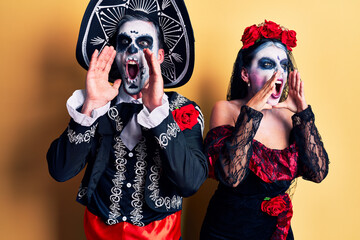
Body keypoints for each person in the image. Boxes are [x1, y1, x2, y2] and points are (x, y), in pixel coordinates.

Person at [47, 0, 207, 239]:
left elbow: (190, 182)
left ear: (161, 55)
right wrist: (91, 106)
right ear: (117, 54)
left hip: (160, 234)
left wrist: (157, 113)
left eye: (143, 43)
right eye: (124, 43)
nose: (133, 49)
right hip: (100, 232)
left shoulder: (183, 109)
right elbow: (60, 171)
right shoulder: (97, 103)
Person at [200, 20, 329, 240]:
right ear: (245, 74)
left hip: (276, 232)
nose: (279, 73)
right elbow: (231, 177)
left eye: (284, 66)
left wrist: (303, 112)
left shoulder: (290, 117)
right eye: (268, 64)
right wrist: (250, 112)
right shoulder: (227, 109)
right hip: (226, 232)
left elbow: (318, 173)